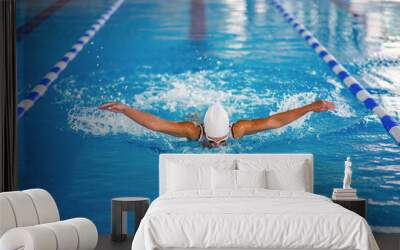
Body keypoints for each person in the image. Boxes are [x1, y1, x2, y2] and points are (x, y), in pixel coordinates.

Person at [98, 100, 335, 148]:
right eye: (213, 142)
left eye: (222, 142)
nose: (219, 147)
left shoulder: (238, 129)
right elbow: (158, 125)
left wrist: (310, 107)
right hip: (195, 120)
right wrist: (126, 109)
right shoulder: (193, 131)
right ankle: (194, 110)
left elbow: (274, 122)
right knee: (189, 116)